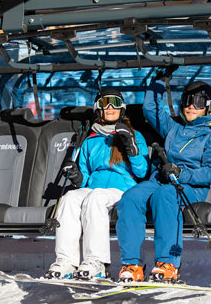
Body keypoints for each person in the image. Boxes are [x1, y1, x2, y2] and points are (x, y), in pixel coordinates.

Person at [116, 75, 211, 282]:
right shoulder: (175, 128)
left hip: (188, 186)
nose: (191, 107)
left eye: (199, 103)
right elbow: (151, 109)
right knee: (130, 198)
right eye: (187, 102)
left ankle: (168, 262)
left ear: (208, 106)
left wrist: (181, 173)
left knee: (165, 195)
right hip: (159, 179)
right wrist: (159, 80)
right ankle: (131, 263)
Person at [46, 88, 149, 279]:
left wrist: (131, 148)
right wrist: (77, 177)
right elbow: (86, 178)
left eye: (115, 103)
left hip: (123, 190)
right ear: (97, 109)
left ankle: (97, 262)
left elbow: (142, 172)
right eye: (104, 103)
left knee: (96, 198)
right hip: (95, 189)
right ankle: (66, 261)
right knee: (69, 198)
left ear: (122, 109)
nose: (110, 107)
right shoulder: (90, 141)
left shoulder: (134, 136)